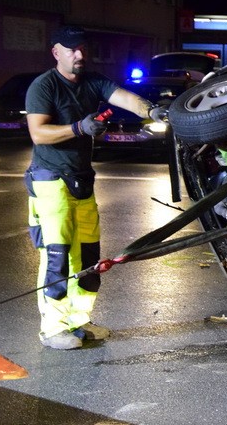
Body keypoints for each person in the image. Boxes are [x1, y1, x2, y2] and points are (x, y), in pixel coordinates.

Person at [25, 25, 168, 349]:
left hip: (81, 181)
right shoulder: (43, 86)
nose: (79, 54)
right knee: (58, 255)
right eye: (72, 49)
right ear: (56, 52)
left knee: (89, 255)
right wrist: (79, 127)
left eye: (83, 48)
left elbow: (124, 97)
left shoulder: (93, 81)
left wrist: (151, 109)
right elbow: (38, 133)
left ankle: (78, 321)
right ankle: (52, 328)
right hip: (50, 181)